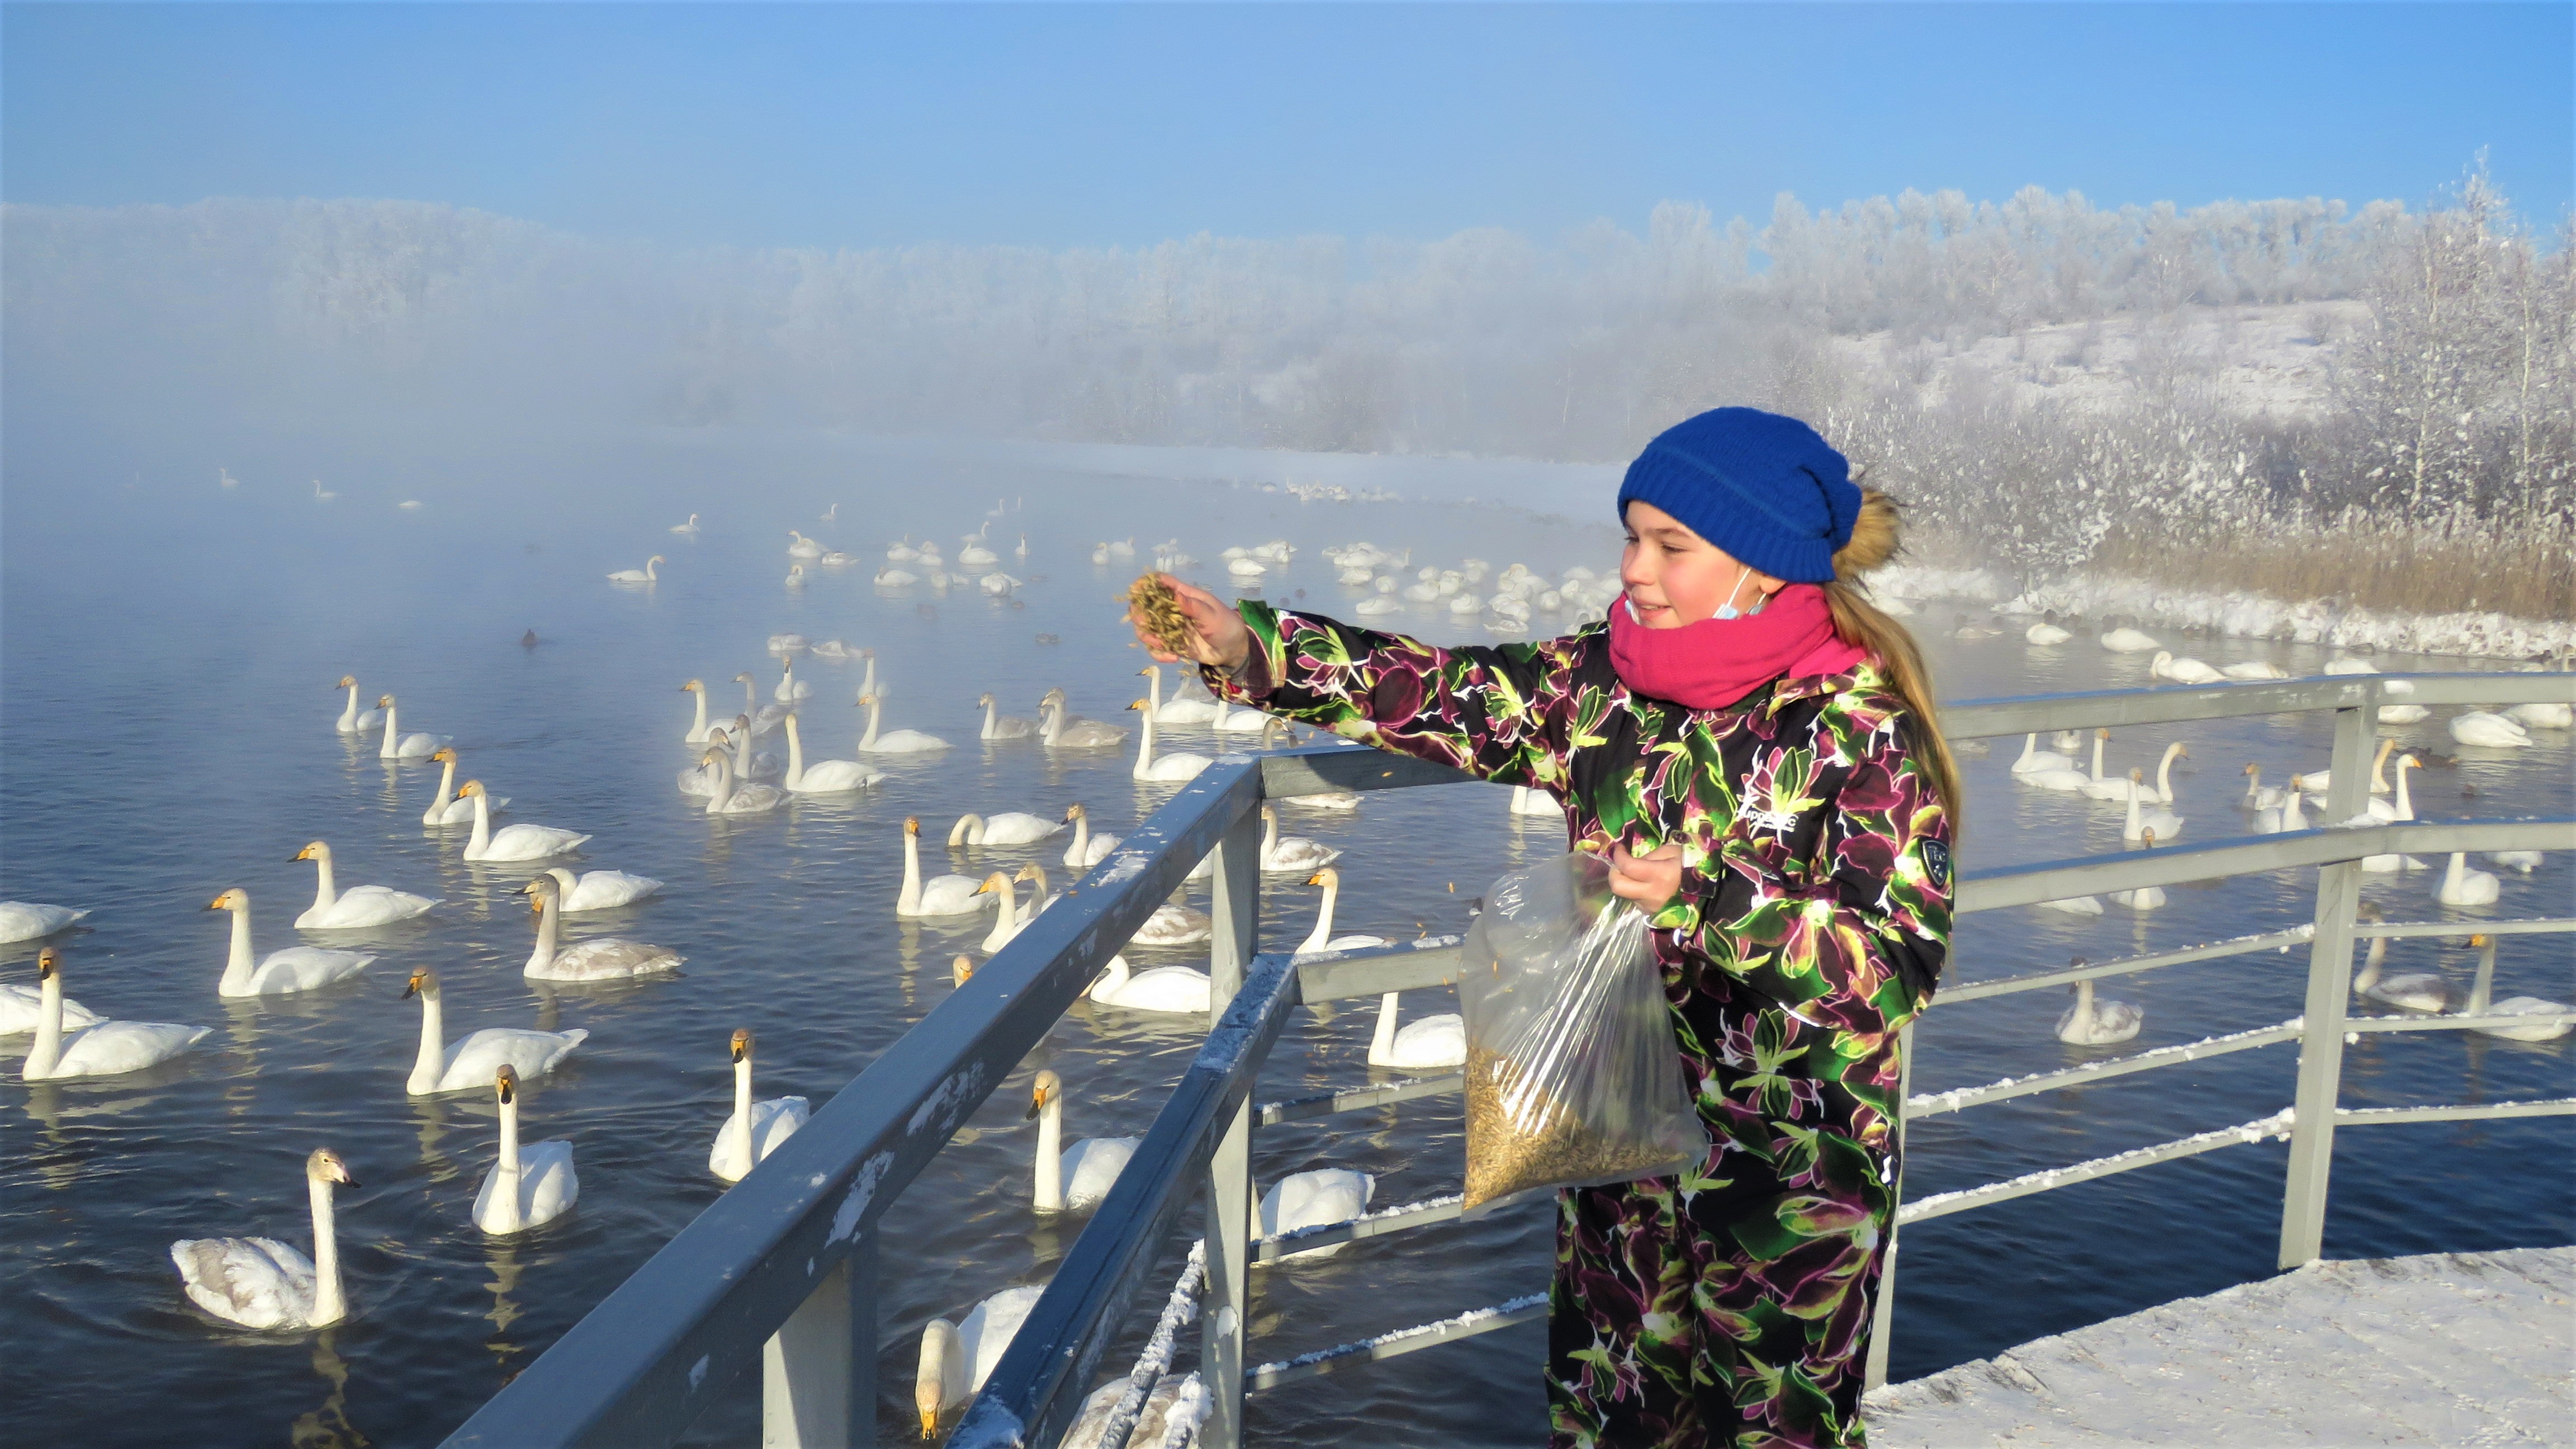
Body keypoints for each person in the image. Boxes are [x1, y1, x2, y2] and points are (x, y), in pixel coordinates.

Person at [1130, 407, 1955, 1448]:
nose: (1636, 571)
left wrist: (1703, 904)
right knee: (1614, 1417)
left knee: (1778, 1428)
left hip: (1790, 1171)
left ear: (1765, 565)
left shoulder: (1857, 723)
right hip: (1615, 1139)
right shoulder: (1598, 686)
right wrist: (1256, 648)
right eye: (1631, 537)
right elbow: (1437, 691)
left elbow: (1895, 967)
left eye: (1672, 546)